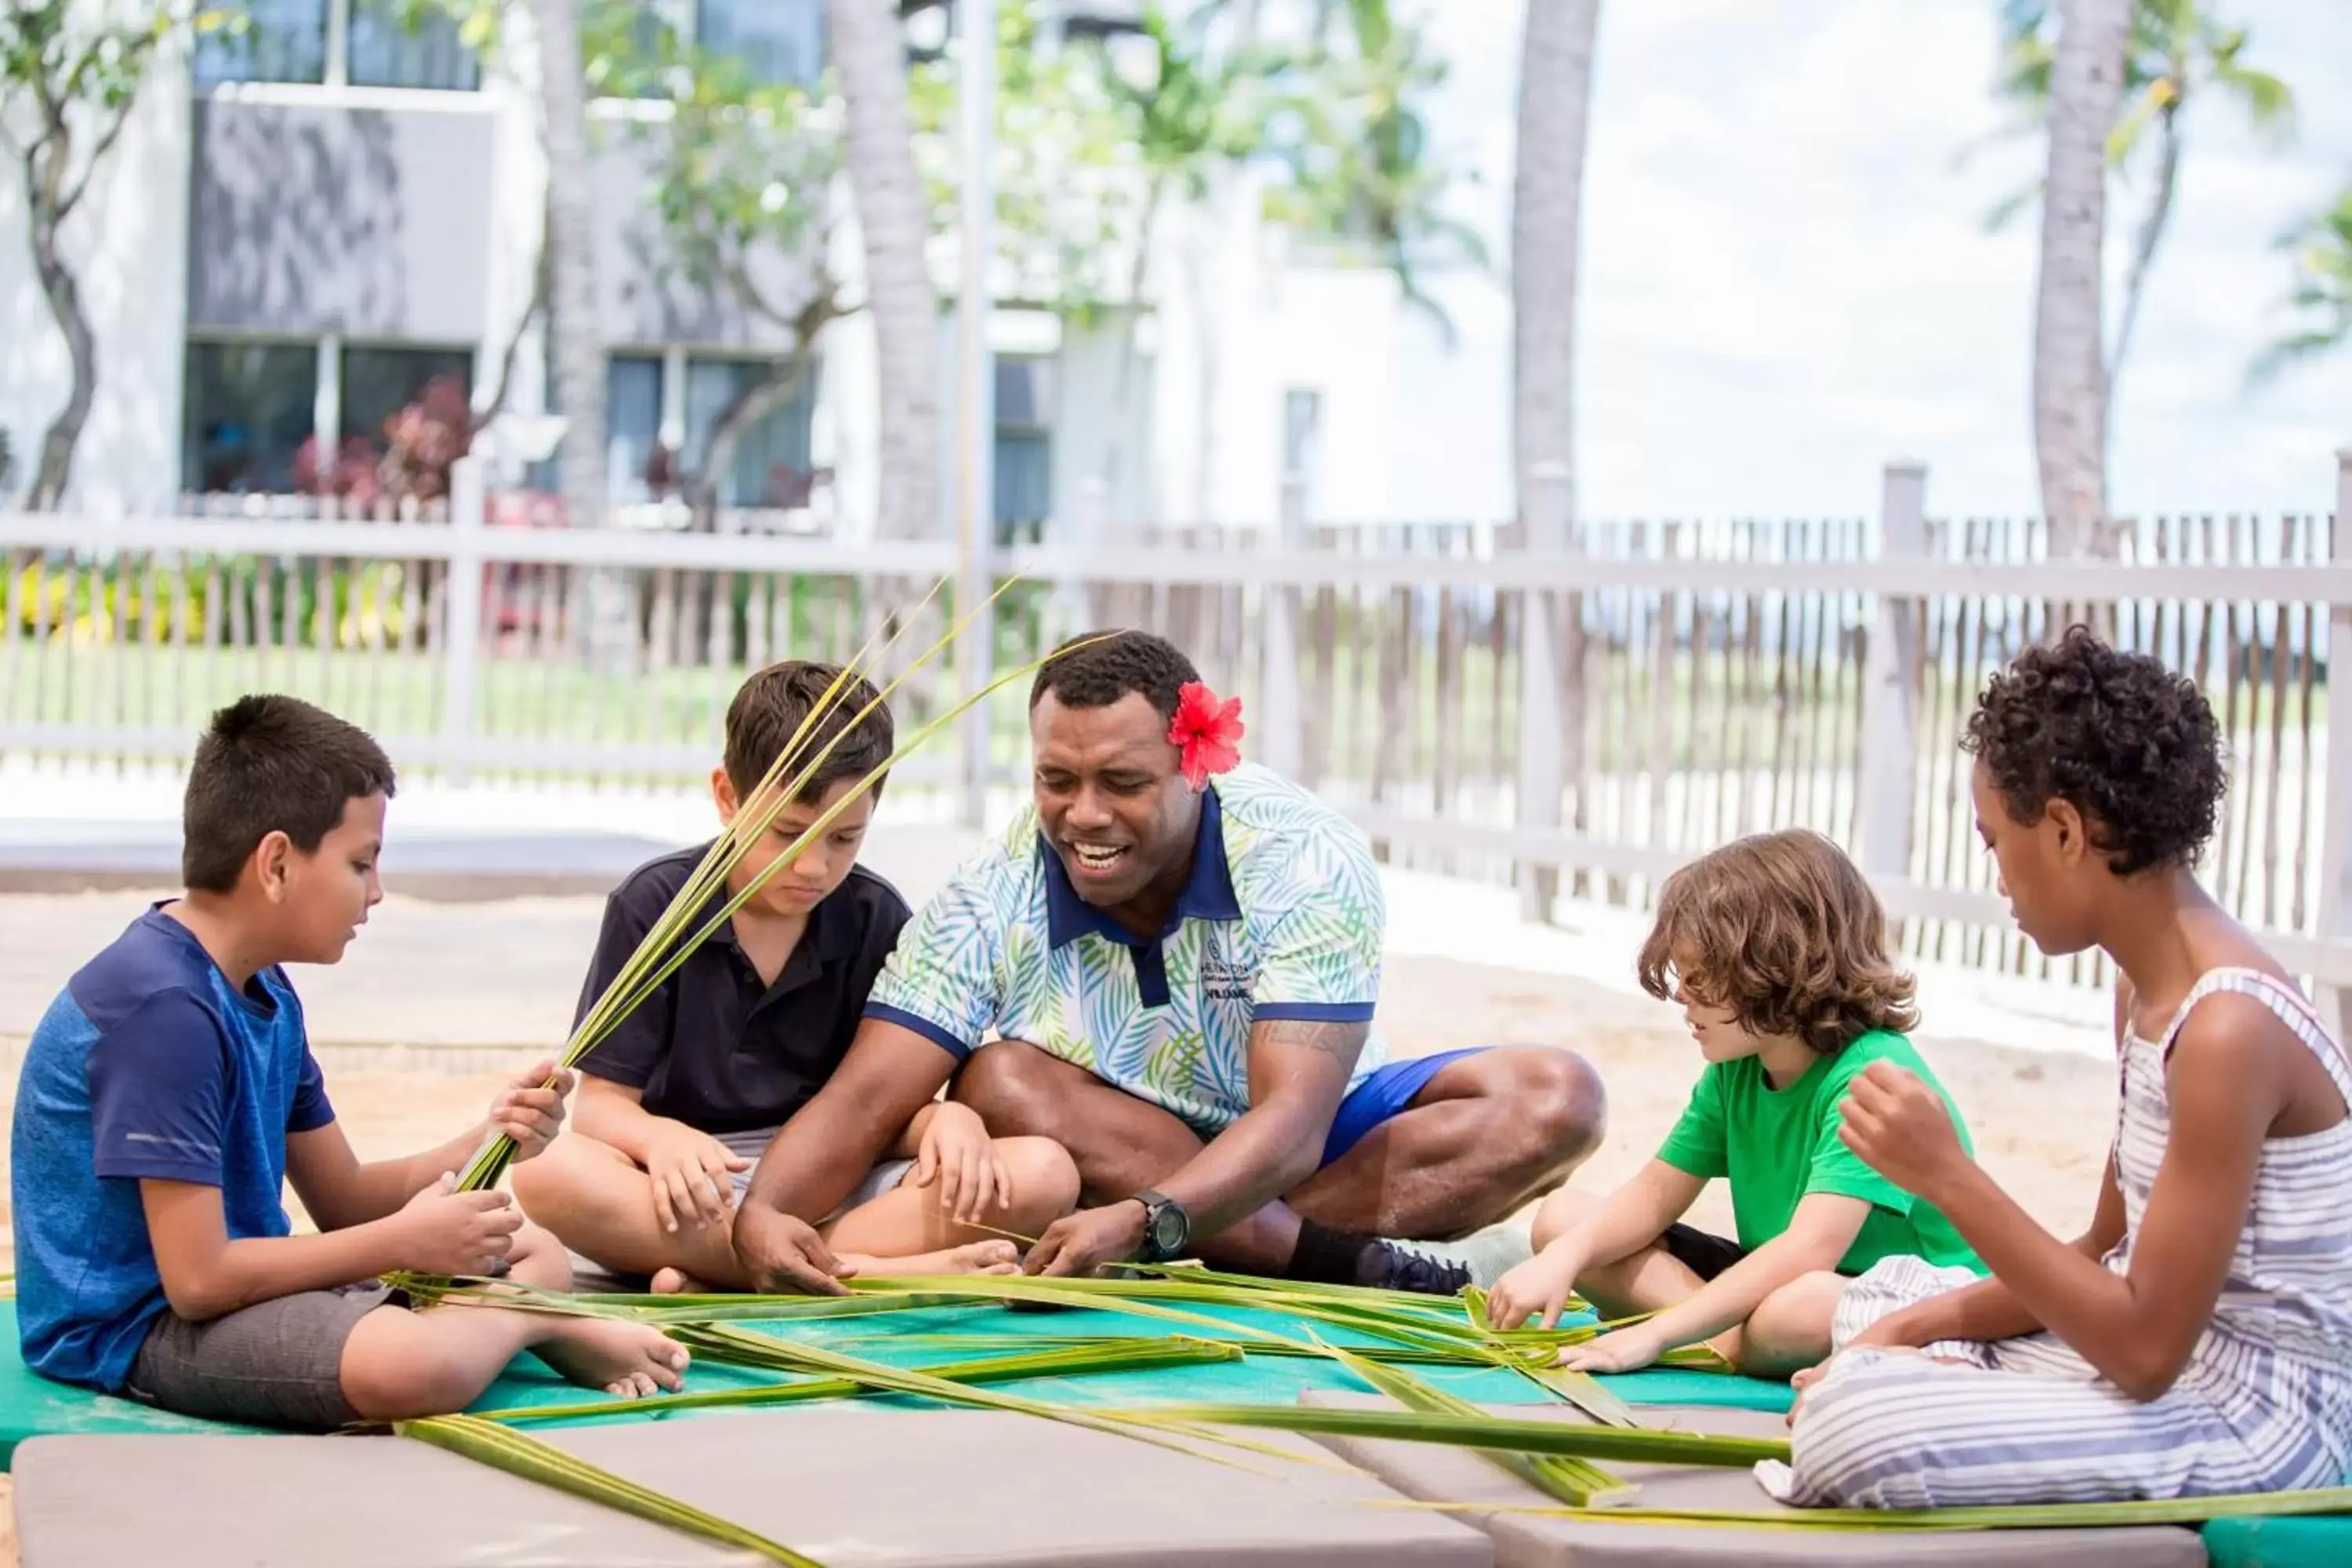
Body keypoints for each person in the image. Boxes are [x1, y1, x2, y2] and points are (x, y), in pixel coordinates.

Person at [731, 630, 1606, 1299]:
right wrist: (762, 1219)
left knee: (1556, 1097)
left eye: (1123, 781)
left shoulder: (1300, 854)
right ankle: (1355, 1265)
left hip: (1301, 1138)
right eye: (1056, 779)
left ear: (1197, 763)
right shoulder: (993, 889)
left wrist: (1148, 1220)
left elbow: (1294, 1125)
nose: (1084, 814)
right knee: (1000, 1079)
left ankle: (1245, 1250)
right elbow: (863, 1096)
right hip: (1111, 1137)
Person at [1772, 629, 2352, 1508]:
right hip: (2167, 1351)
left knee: (1854, 1427)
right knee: (1876, 1297)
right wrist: (1909, 1327)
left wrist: (1950, 1178)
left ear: (2067, 830)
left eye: (1995, 840)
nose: (1996, 874)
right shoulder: (2144, 990)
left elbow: (2145, 1352)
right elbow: (2101, 1254)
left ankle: (1932, 1396)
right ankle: (1940, 1372)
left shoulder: (2227, 1027)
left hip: (2259, 1416)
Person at [10, 695, 688, 1432]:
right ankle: (531, 1324)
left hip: (241, 1278)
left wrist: (491, 1138)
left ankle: (511, 1314)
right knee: (414, 1366)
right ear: (275, 863)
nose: (377, 890)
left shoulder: (261, 985)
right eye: (360, 863)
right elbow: (199, 1282)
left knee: (529, 1246)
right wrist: (406, 1244)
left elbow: (345, 1199)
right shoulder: (163, 1012)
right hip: (136, 1327)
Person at [513, 662, 1080, 1292]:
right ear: (728, 796)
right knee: (547, 1171)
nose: (814, 865)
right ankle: (862, 1269)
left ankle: (742, 1272)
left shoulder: (875, 917)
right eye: (788, 834)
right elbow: (600, 1108)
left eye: (844, 837)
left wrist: (946, 1120)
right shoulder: (655, 905)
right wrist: (659, 1139)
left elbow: (882, 1108)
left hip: (830, 1180)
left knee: (1043, 1173)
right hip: (693, 1188)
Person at [1485, 830, 1982, 1378]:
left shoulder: (1872, 1075)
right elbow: (1653, 1196)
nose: (1682, 1000)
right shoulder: (1735, 1069)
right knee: (1564, 1222)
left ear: (1777, 968)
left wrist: (1649, 1336)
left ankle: (1727, 1338)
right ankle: (1729, 1341)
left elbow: (1809, 1250)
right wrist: (1564, 1259)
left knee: (1796, 1309)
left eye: (1701, 981)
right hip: (1773, 1282)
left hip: (1893, 1296)